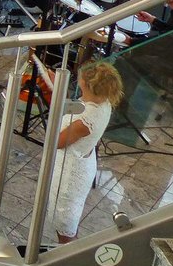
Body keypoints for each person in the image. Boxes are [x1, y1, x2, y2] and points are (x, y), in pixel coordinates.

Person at [44, 62, 123, 244]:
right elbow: (75, 108)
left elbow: (56, 142)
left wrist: (56, 100)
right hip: (82, 160)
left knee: (65, 222)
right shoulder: (103, 102)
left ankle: (70, 256)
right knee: (67, 216)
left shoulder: (85, 120)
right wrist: (60, 91)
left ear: (85, 84)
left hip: (70, 173)